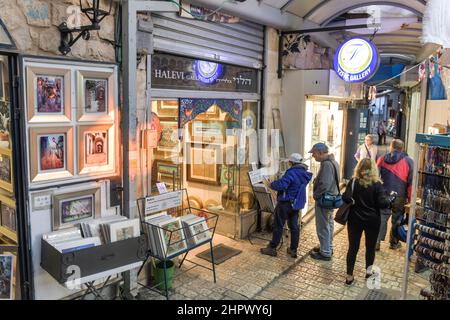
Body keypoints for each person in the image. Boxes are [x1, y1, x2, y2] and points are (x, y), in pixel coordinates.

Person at [342, 158, 390, 285]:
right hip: (372, 221)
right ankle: (368, 273)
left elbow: (345, 197)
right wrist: (389, 200)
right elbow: (382, 203)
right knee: (370, 248)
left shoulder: (353, 181)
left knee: (353, 247)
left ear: (359, 168)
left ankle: (349, 276)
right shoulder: (377, 184)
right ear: (373, 169)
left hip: (354, 220)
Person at [260, 153, 312, 258]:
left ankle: (272, 248)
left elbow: (283, 184)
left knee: (278, 225)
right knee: (294, 227)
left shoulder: (292, 172)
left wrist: (271, 184)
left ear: (291, 162)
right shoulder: (304, 173)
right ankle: (293, 249)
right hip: (296, 204)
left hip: (286, 203)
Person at [376, 139, 413, 250]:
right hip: (400, 196)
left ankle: (376, 243)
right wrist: (411, 199)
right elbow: (411, 183)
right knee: (397, 219)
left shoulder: (381, 159)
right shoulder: (409, 161)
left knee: (382, 217)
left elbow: (376, 178)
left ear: (391, 147)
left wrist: (377, 193)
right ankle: (394, 242)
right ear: (402, 148)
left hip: (384, 194)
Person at [309, 143, 340, 261]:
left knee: (323, 226)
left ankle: (325, 252)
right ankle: (327, 247)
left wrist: (316, 194)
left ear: (321, 152)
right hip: (331, 198)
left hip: (325, 199)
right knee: (329, 224)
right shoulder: (333, 162)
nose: (313, 156)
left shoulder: (326, 165)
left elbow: (325, 184)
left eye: (314, 153)